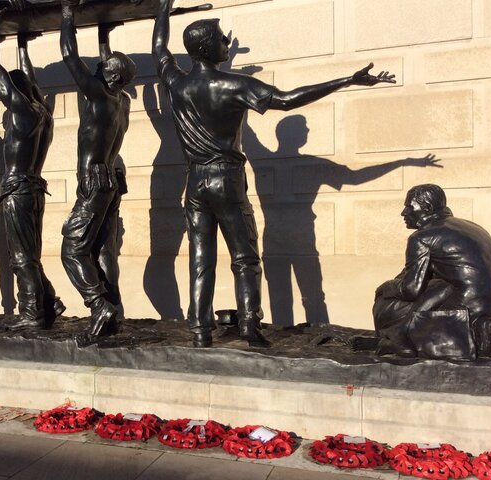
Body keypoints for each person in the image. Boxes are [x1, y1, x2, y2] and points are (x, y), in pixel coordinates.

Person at [152, 0, 395, 347]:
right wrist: (347, 80)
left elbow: (159, 49)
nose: (226, 42)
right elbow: (286, 100)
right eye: (221, 39)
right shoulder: (235, 85)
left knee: (200, 259)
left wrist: (163, 9)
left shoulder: (176, 83)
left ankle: (200, 330)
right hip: (226, 179)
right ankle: (250, 325)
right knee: (244, 257)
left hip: (196, 182)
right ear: (207, 48)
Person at [60, 0, 136, 346]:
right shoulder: (123, 101)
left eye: (104, 68)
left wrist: (66, 14)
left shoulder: (100, 97)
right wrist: (103, 29)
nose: (98, 69)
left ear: (111, 77)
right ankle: (111, 315)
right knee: (99, 250)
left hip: (94, 182)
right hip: (109, 180)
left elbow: (69, 57)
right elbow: (104, 66)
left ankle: (100, 306)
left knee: (73, 250)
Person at [0, 11, 65, 328]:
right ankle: (50, 301)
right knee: (31, 253)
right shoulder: (43, 113)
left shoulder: (19, 111)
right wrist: (22, 43)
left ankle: (32, 314)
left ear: (12, 94)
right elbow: (28, 79)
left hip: (18, 189)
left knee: (22, 257)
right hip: (34, 189)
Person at [373, 184, 491, 360]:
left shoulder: (422, 237)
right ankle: (483, 329)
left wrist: (385, 287)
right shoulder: (474, 228)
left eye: (409, 206)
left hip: (463, 311)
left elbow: (411, 289)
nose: (404, 213)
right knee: (442, 284)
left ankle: (401, 334)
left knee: (387, 303)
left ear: (427, 208)